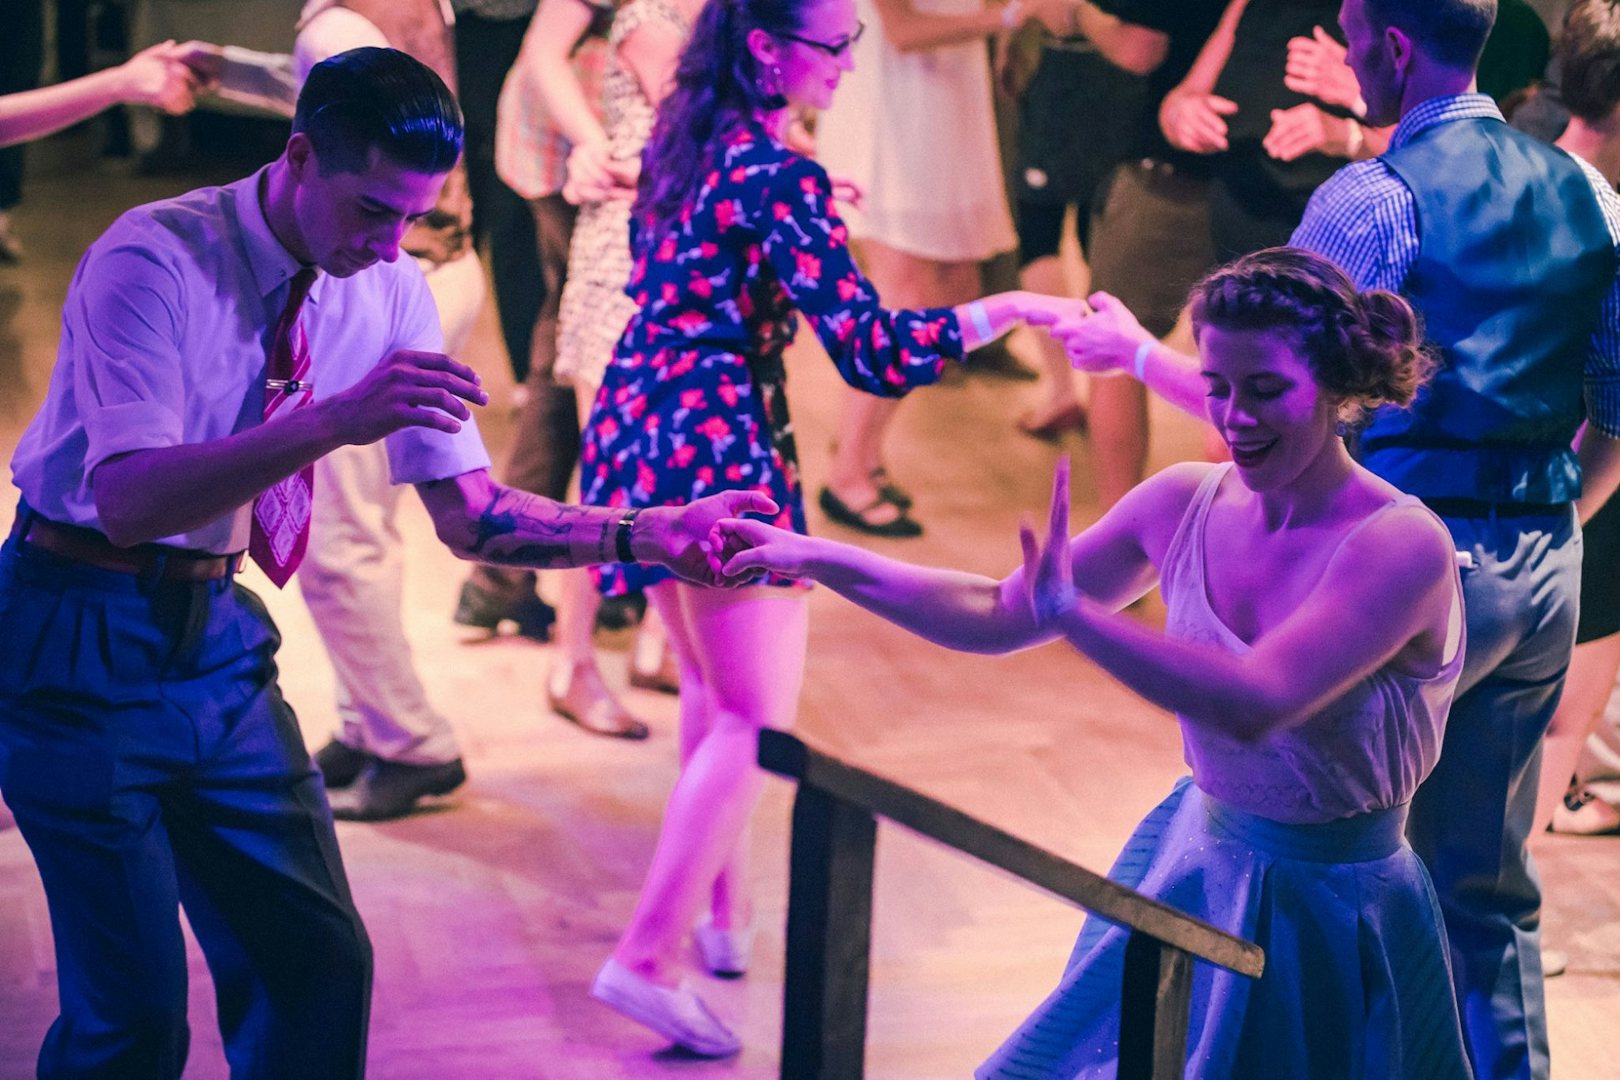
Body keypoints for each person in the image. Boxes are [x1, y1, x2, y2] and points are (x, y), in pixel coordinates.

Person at [0, 46, 768, 1079]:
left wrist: (647, 530)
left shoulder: (390, 280)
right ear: (301, 154)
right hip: (73, 635)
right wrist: (334, 421)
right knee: (131, 1022)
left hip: (216, 642)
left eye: (414, 215)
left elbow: (475, 518)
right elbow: (132, 501)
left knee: (318, 961)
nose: (392, 242)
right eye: (371, 209)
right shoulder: (155, 259)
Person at [715, 247, 1473, 1079]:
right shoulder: (1184, 499)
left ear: (1332, 387)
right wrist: (817, 556)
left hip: (1334, 912)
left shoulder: (1402, 545)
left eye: (1265, 391)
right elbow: (996, 612)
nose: (1233, 416)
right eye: (1217, 386)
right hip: (1199, 867)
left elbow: (1258, 700)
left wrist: (1073, 616)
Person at [1050, 2, 1620, 1073]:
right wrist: (1544, 531)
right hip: (1546, 567)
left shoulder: (1371, 200)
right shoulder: (1590, 193)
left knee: (1345, 876)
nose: (1344, 52)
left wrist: (1134, 354)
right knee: (1487, 896)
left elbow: (1274, 402)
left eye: (1353, 32)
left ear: (1390, 48)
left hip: (1396, 577)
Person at [576, 0, 1070, 1054]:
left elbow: (725, 248)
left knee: (715, 692)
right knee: (754, 717)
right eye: (834, 45)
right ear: (766, 48)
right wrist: (1009, 312)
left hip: (644, 422)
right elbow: (875, 354)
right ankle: (647, 956)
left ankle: (719, 917)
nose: (850, 63)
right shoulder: (776, 172)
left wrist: (815, 215)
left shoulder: (695, 134)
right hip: (716, 446)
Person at [290, 0, 491, 819]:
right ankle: (367, 724)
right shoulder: (394, 10)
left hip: (398, 286)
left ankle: (412, 744)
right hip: (440, 271)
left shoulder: (345, 27)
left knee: (338, 539)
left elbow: (342, 117)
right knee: (350, 528)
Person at [811, 0, 1064, 536]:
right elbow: (903, 28)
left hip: (947, 105)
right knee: (902, 295)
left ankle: (867, 450)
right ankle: (848, 472)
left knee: (953, 287)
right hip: (894, 116)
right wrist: (1018, 16)